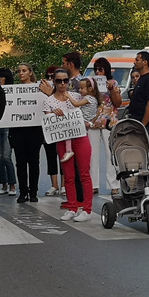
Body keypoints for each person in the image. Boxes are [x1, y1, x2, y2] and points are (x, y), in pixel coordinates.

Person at [43, 69, 93, 222]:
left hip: (80, 138)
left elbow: (89, 113)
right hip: (63, 141)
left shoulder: (77, 97)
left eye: (65, 80)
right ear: (54, 82)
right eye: (59, 81)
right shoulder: (49, 101)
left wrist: (88, 123)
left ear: (69, 82)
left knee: (84, 174)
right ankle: (72, 207)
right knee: (68, 176)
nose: (63, 84)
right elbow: (48, 122)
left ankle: (87, 209)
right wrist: (53, 115)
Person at [127, 51, 149, 192]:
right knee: (138, 155)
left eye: (137, 59)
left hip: (145, 126)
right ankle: (139, 184)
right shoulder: (141, 79)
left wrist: (143, 125)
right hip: (136, 123)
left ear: (145, 62)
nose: (135, 61)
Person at [11, 62, 43, 203]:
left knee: (34, 162)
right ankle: (23, 191)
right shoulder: (13, 90)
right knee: (20, 162)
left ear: (30, 72)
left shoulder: (39, 89)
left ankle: (34, 191)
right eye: (19, 71)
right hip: (18, 130)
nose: (21, 73)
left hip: (34, 130)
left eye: (24, 71)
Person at [91, 57, 123, 195]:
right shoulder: (91, 83)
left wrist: (111, 90)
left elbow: (118, 103)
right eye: (96, 69)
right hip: (94, 122)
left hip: (109, 122)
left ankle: (113, 184)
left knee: (111, 154)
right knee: (92, 155)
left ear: (106, 70)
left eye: (100, 69)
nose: (98, 72)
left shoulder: (113, 83)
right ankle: (93, 184)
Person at [0, 66, 17, 197]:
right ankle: (4, 184)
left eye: (2, 77)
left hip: (8, 126)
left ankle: (12, 184)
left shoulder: (12, 92)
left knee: (6, 157)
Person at [41, 65, 63, 196]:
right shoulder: (41, 88)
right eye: (48, 76)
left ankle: (65, 185)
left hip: (62, 127)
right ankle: (54, 185)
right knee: (50, 156)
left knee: (63, 156)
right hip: (48, 126)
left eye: (52, 76)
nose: (49, 79)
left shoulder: (63, 90)